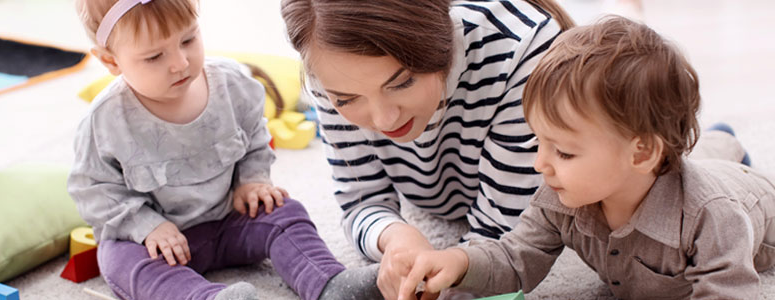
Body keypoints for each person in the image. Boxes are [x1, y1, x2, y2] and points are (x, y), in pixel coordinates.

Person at [396, 16, 775, 299]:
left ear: (641, 151)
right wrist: (458, 262)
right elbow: (515, 258)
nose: (539, 164)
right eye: (538, 142)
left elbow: (727, 292)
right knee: (702, 152)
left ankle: (725, 143)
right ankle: (720, 139)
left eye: (562, 151)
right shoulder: (558, 199)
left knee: (709, 166)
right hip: (667, 165)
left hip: (754, 199)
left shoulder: (713, 217)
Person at [67, 0, 382, 299]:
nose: (180, 63)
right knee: (119, 260)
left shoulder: (231, 84)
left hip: (232, 217)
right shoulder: (105, 121)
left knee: (286, 211)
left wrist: (252, 180)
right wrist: (147, 227)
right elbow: (94, 191)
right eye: (154, 57)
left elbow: (255, 136)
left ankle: (329, 283)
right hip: (158, 243)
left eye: (188, 39)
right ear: (111, 61)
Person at [281, 0, 575, 297]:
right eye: (346, 100)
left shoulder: (521, 46)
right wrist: (395, 238)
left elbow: (509, 238)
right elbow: (360, 198)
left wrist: (451, 274)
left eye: (403, 82)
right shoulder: (327, 59)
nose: (385, 120)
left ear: (440, 40)